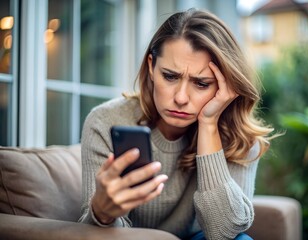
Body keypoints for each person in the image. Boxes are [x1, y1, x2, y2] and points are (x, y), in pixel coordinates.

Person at [79, 8, 275, 240]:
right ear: (151, 67)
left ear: (225, 86)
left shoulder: (239, 136)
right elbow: (97, 232)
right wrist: (102, 213)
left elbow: (225, 231)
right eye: (170, 76)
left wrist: (209, 125)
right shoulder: (105, 122)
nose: (181, 98)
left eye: (201, 83)